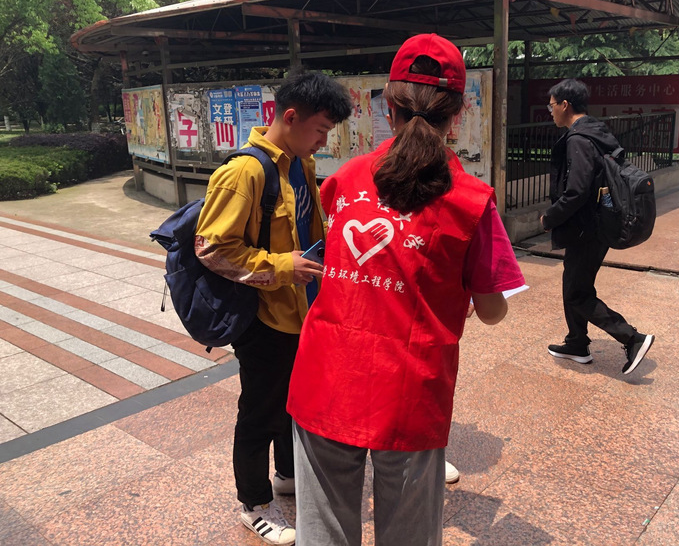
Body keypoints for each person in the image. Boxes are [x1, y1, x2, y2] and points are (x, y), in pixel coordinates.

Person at [286, 34, 525, 546]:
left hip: (326, 376)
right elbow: (491, 310)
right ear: (456, 115)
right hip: (410, 390)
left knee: (322, 532)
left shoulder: (346, 178)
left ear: (387, 109)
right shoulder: (470, 200)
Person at [195, 71, 352, 546]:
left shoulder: (300, 164)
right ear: (291, 116)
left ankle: (286, 474)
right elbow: (211, 249)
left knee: (294, 401)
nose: (323, 141)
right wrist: (283, 266)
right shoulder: (243, 172)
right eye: (320, 130)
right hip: (264, 317)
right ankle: (254, 504)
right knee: (259, 411)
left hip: (302, 312)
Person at [539, 78, 654, 375]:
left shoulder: (578, 139)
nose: (551, 112)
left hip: (585, 229)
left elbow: (576, 192)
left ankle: (632, 338)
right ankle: (577, 343)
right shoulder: (597, 132)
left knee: (577, 293)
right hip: (599, 223)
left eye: (552, 106)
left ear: (565, 105)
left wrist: (549, 217)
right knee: (575, 285)